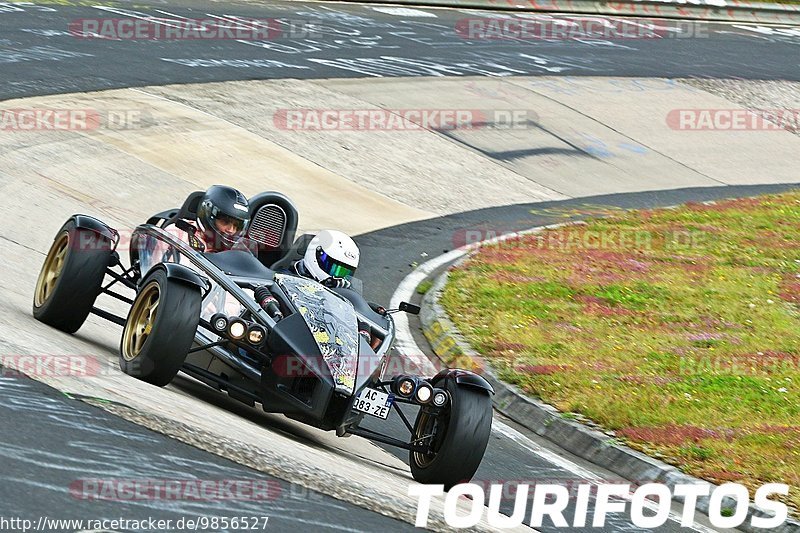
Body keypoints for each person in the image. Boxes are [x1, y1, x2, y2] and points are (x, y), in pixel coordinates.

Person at [188, 185, 251, 253]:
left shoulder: (236, 252)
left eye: (237, 226)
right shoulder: (181, 236)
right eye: (225, 222)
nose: (231, 230)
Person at [291, 229, 360, 289]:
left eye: (344, 273)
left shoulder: (344, 296)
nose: (338, 280)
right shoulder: (286, 278)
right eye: (334, 269)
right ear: (317, 254)